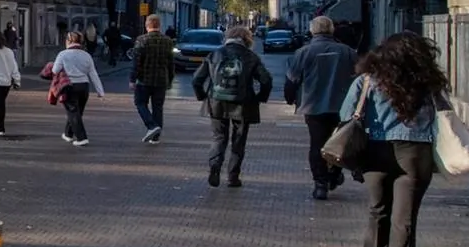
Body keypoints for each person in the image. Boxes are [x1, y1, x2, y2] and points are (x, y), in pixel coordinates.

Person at [341, 32, 448, 247]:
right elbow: (444, 115)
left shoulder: (368, 80)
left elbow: (346, 114)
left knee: (378, 211)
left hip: (376, 151)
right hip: (415, 152)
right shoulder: (427, 83)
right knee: (405, 221)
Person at [286, 15, 357, 200]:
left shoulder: (303, 52)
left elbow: (292, 79)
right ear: (332, 30)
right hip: (342, 107)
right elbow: (359, 78)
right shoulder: (347, 51)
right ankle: (334, 174)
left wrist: (290, 97)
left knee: (317, 144)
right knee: (340, 142)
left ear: (312, 30)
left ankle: (320, 184)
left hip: (314, 106)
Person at [193, 25, 272, 188]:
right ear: (247, 39)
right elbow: (266, 80)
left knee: (219, 137)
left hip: (216, 102)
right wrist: (260, 98)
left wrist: (202, 96)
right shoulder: (251, 56)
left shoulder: (215, 54)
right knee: (239, 140)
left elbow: (197, 79)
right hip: (243, 104)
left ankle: (215, 165)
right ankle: (233, 177)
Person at [49, 30, 106, 145]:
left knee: (73, 112)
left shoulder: (63, 54)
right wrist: (100, 92)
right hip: (84, 86)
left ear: (69, 41)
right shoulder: (87, 55)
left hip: (69, 86)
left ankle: (82, 138)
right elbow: (93, 74)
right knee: (77, 112)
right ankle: (68, 134)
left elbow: (55, 70)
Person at [129, 15, 175, 144]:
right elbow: (171, 63)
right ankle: (156, 137)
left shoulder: (141, 40)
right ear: (159, 25)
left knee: (140, 103)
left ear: (147, 25)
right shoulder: (168, 41)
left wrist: (132, 79)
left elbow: (136, 62)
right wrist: (170, 80)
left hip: (144, 79)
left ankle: (151, 125)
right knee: (158, 107)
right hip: (161, 80)